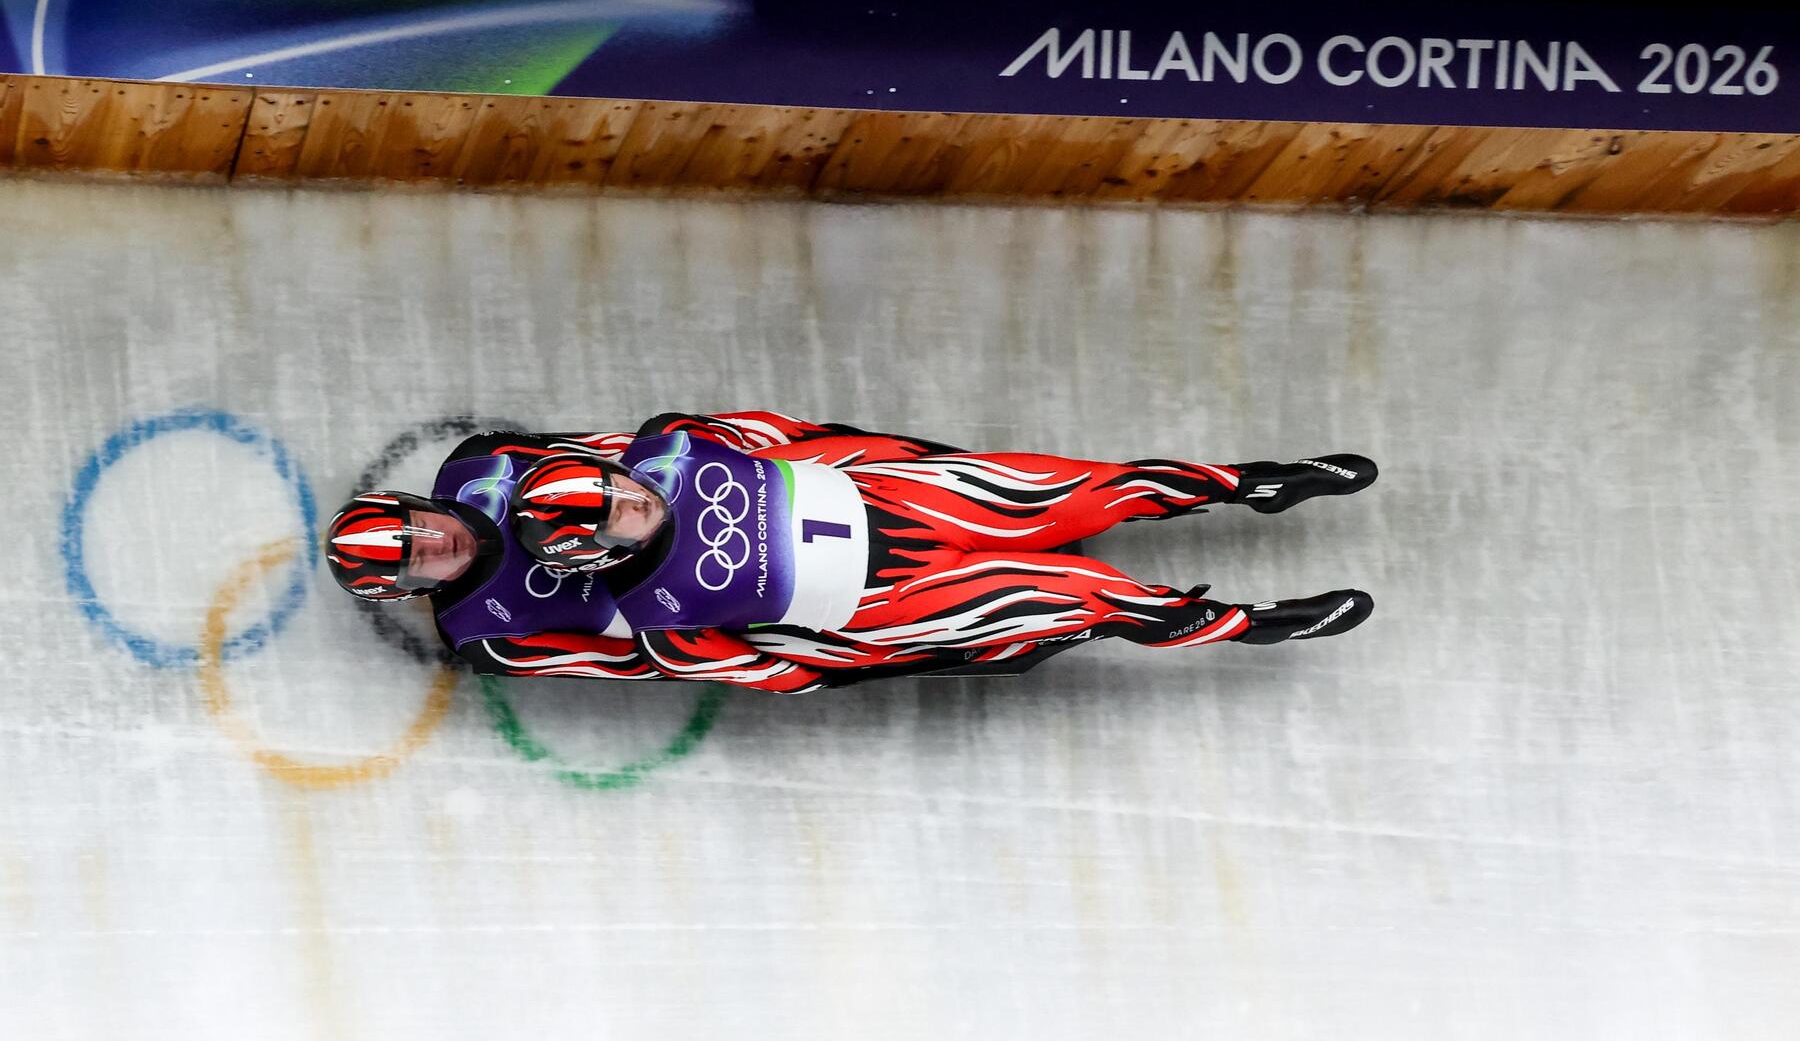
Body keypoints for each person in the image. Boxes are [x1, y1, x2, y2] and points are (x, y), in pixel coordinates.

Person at [324, 413, 1377, 694]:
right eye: (419, 553)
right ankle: (1243, 621)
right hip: (871, 600)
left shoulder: (513, 466)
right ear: (417, 580)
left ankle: (1250, 482)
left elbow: (751, 434)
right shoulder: (521, 629)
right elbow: (712, 663)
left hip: (882, 494)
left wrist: (847, 452)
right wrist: (847, 656)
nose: (439, 536)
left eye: (418, 519)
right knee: (1074, 591)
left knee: (1078, 488)